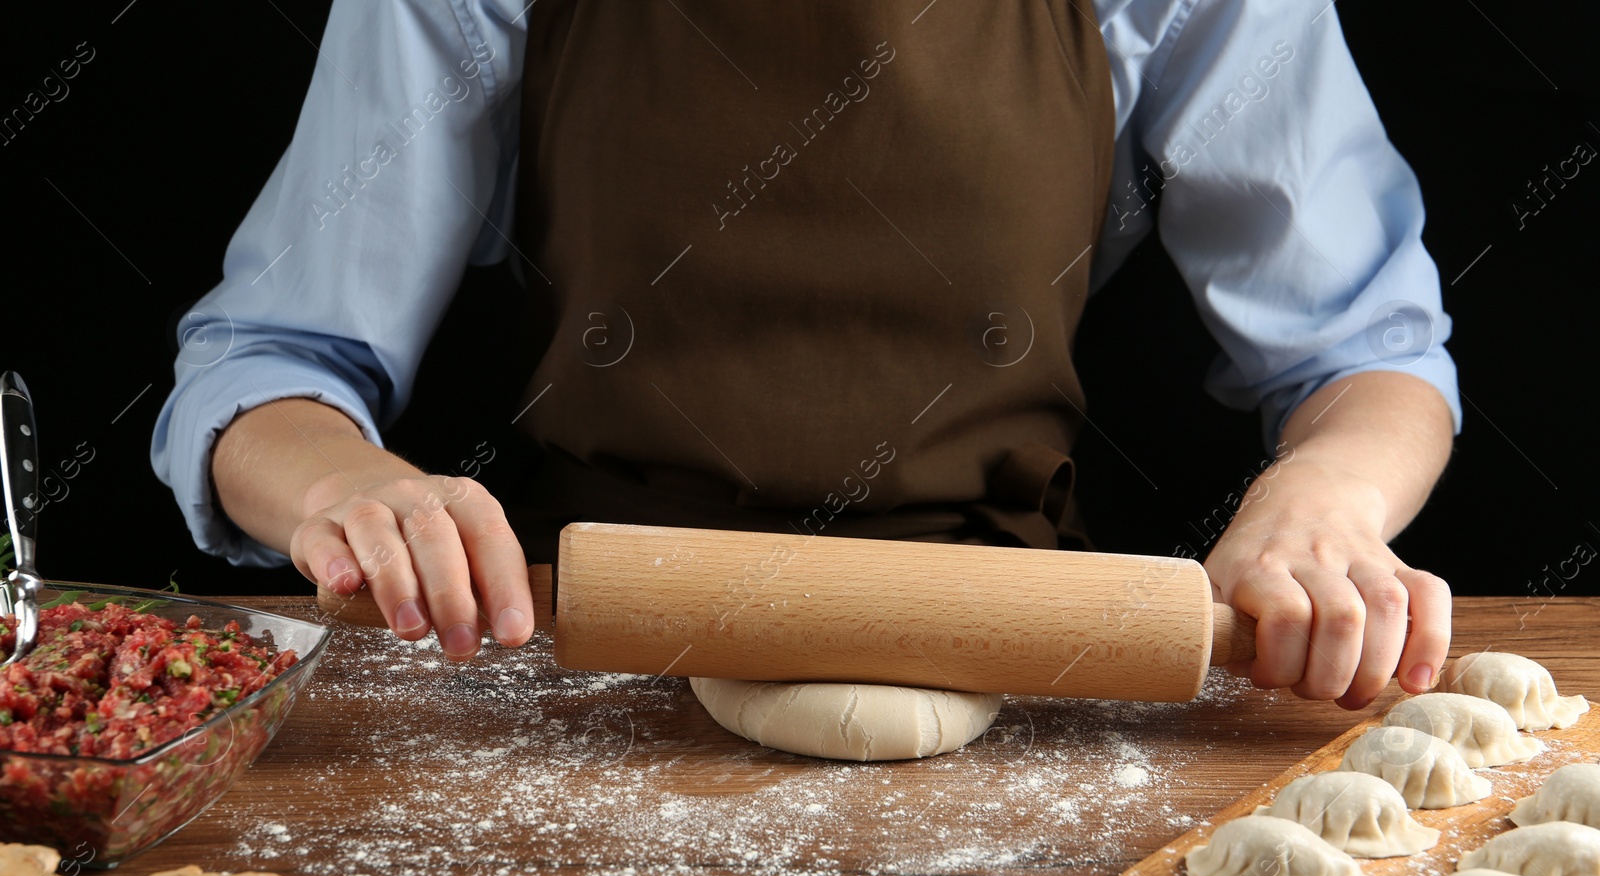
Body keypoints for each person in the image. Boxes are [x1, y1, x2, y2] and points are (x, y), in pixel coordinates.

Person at [153, 0, 1459, 711]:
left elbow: (1368, 353)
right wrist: (341, 486)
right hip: (588, 664)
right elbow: (270, 359)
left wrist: (1320, 503)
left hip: (1017, 644)